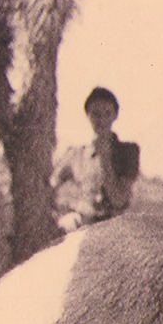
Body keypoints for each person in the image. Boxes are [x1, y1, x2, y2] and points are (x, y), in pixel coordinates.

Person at [53, 87, 140, 232]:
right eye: (96, 114)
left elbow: (119, 200)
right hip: (83, 225)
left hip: (114, 226)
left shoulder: (128, 152)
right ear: (88, 115)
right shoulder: (76, 155)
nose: (101, 120)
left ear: (115, 115)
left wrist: (105, 158)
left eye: (107, 113)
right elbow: (51, 184)